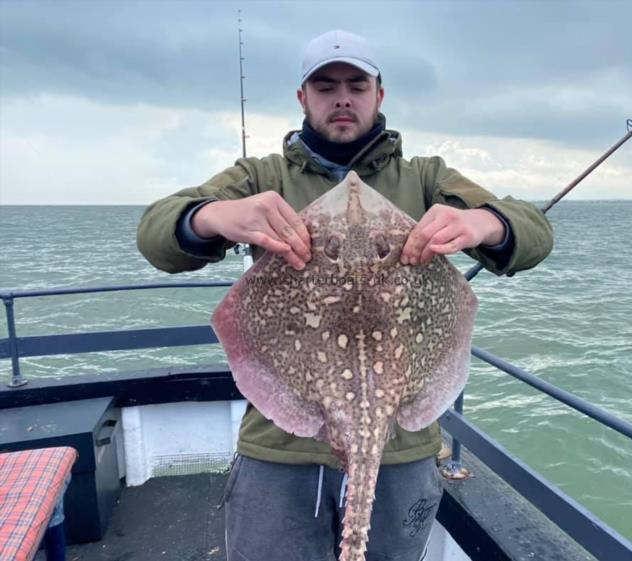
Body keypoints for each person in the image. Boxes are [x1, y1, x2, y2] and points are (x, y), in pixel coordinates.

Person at [137, 29, 553, 561]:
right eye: (325, 86)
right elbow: (156, 233)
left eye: (356, 85)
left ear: (379, 94)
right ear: (302, 98)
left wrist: (485, 223)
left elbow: (534, 233)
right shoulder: (262, 177)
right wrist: (214, 216)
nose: (342, 97)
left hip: (401, 450)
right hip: (280, 445)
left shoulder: (425, 178)